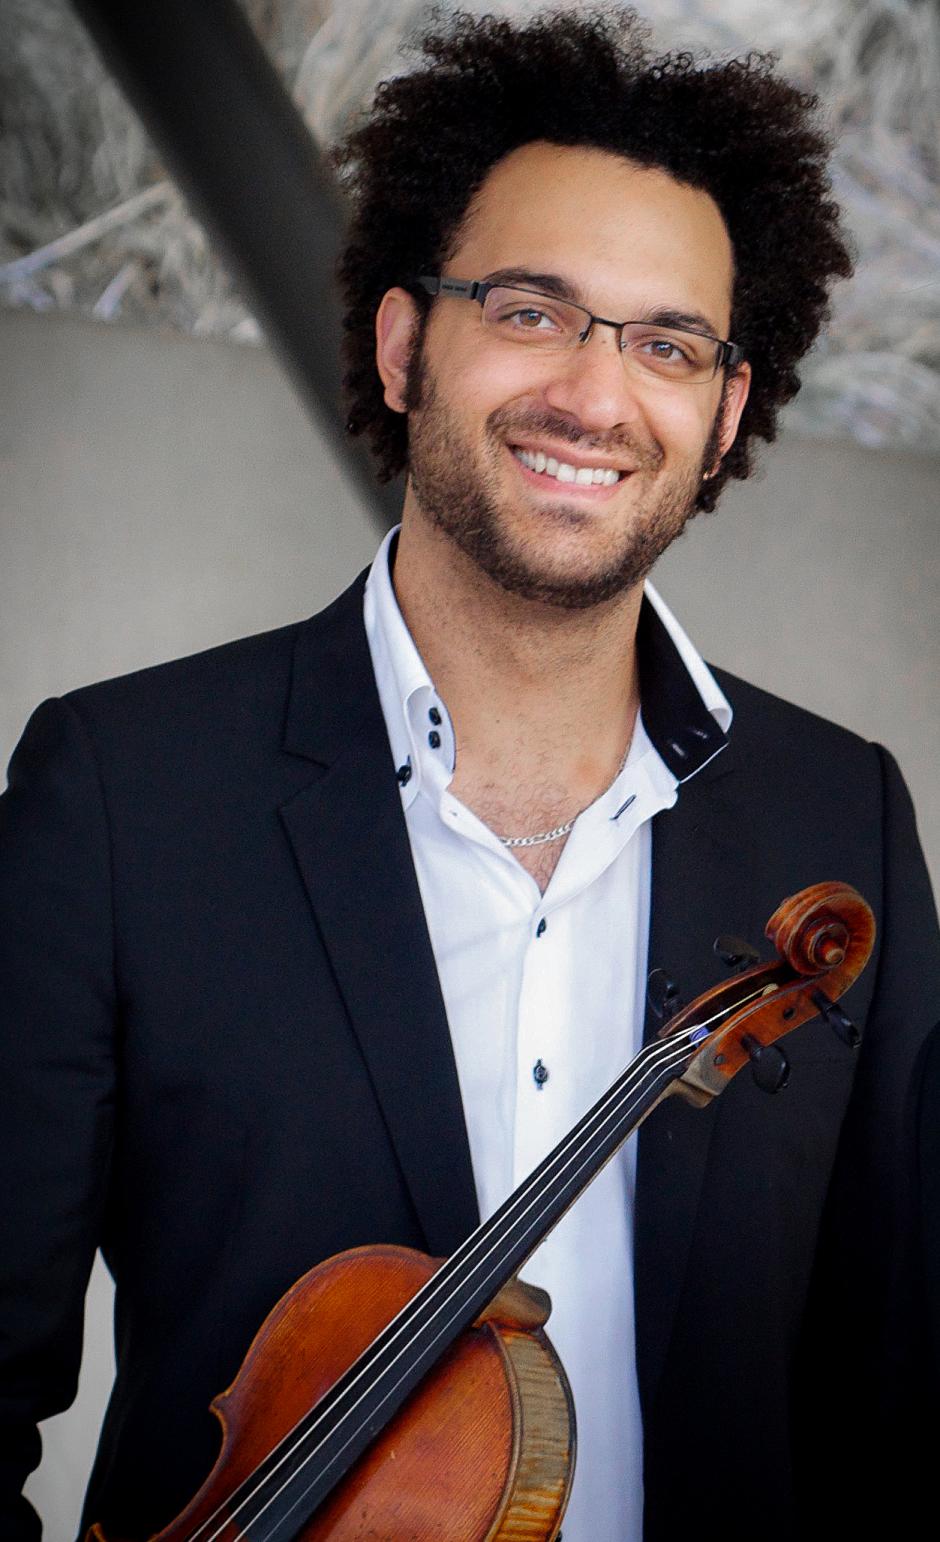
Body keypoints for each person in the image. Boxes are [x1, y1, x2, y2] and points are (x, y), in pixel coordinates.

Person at [1, 9, 938, 1540]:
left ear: (721, 418)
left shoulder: (843, 820)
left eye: (667, 343)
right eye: (531, 307)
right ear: (401, 341)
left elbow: (901, 1405)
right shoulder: (119, 792)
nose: (593, 391)